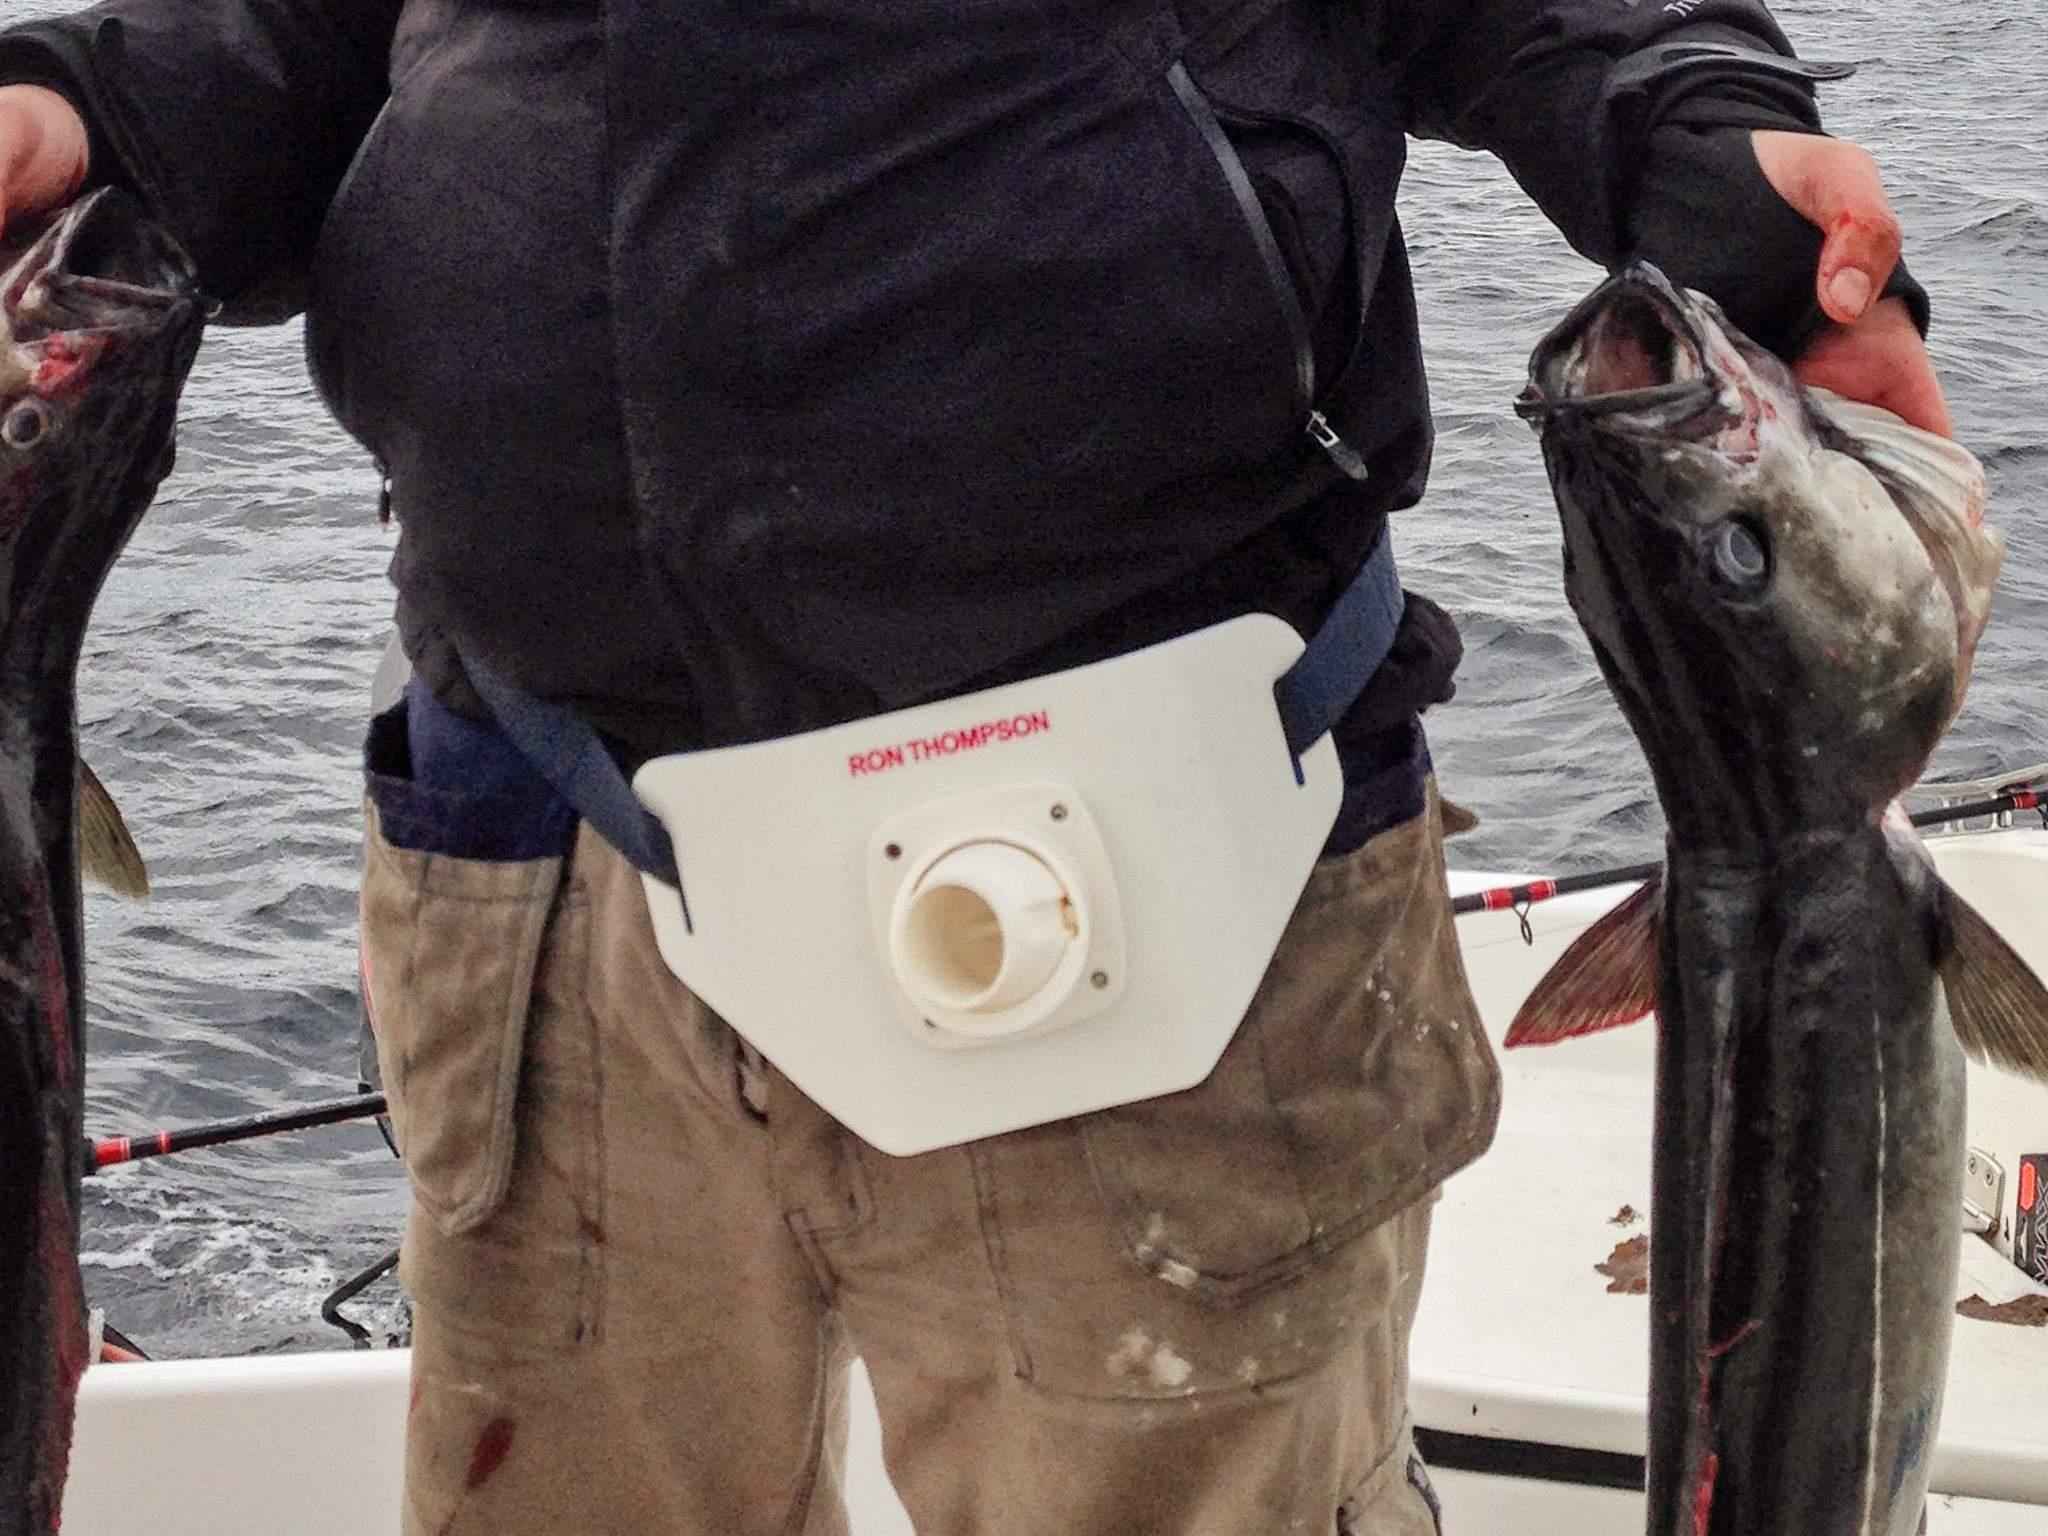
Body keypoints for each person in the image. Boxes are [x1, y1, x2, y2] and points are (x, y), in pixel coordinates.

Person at [0, 4, 1950, 1532]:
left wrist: (1698, 123)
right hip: (541, 847)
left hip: (1169, 860)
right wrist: (98, 102)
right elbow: (316, 31)